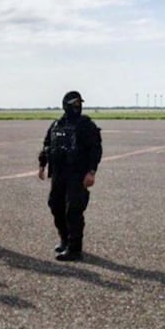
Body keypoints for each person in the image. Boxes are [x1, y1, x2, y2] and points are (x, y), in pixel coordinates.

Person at [38, 90, 102, 261]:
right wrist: (42, 164)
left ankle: (75, 249)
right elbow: (47, 146)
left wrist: (91, 172)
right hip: (59, 173)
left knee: (73, 210)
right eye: (74, 104)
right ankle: (65, 239)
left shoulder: (86, 125)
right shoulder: (56, 125)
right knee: (55, 205)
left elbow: (95, 149)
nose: (77, 107)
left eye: (79, 104)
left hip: (77, 174)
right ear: (66, 105)